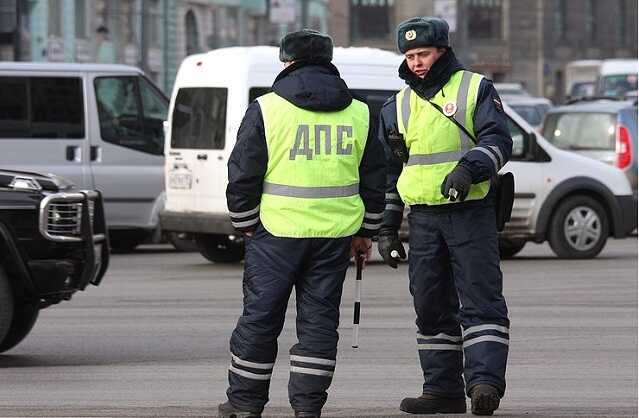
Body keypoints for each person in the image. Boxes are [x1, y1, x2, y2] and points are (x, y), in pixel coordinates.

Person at [219, 29, 386, 418]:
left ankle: (244, 405)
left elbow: (243, 172)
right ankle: (307, 408)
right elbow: (376, 176)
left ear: (287, 63)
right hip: (335, 236)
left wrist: (245, 222)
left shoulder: (267, 108)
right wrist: (366, 231)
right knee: (319, 323)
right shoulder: (360, 111)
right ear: (329, 62)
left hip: (276, 233)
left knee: (260, 319)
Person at [377, 17, 512, 416]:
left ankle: (484, 383)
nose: (416, 62)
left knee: (480, 299)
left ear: (441, 51)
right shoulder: (396, 105)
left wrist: (469, 169)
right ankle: (442, 390)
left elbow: (499, 141)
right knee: (430, 306)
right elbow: (392, 172)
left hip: (471, 211)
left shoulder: (474, 88)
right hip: (423, 219)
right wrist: (387, 228)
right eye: (410, 55)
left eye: (423, 54)